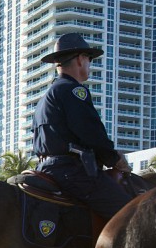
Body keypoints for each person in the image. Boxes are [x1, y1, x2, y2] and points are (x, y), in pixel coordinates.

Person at [33, 33, 132, 220]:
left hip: (46, 168)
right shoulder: (73, 90)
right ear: (80, 59)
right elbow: (90, 132)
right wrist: (114, 159)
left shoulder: (46, 96)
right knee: (132, 214)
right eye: (89, 59)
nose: (89, 64)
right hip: (72, 172)